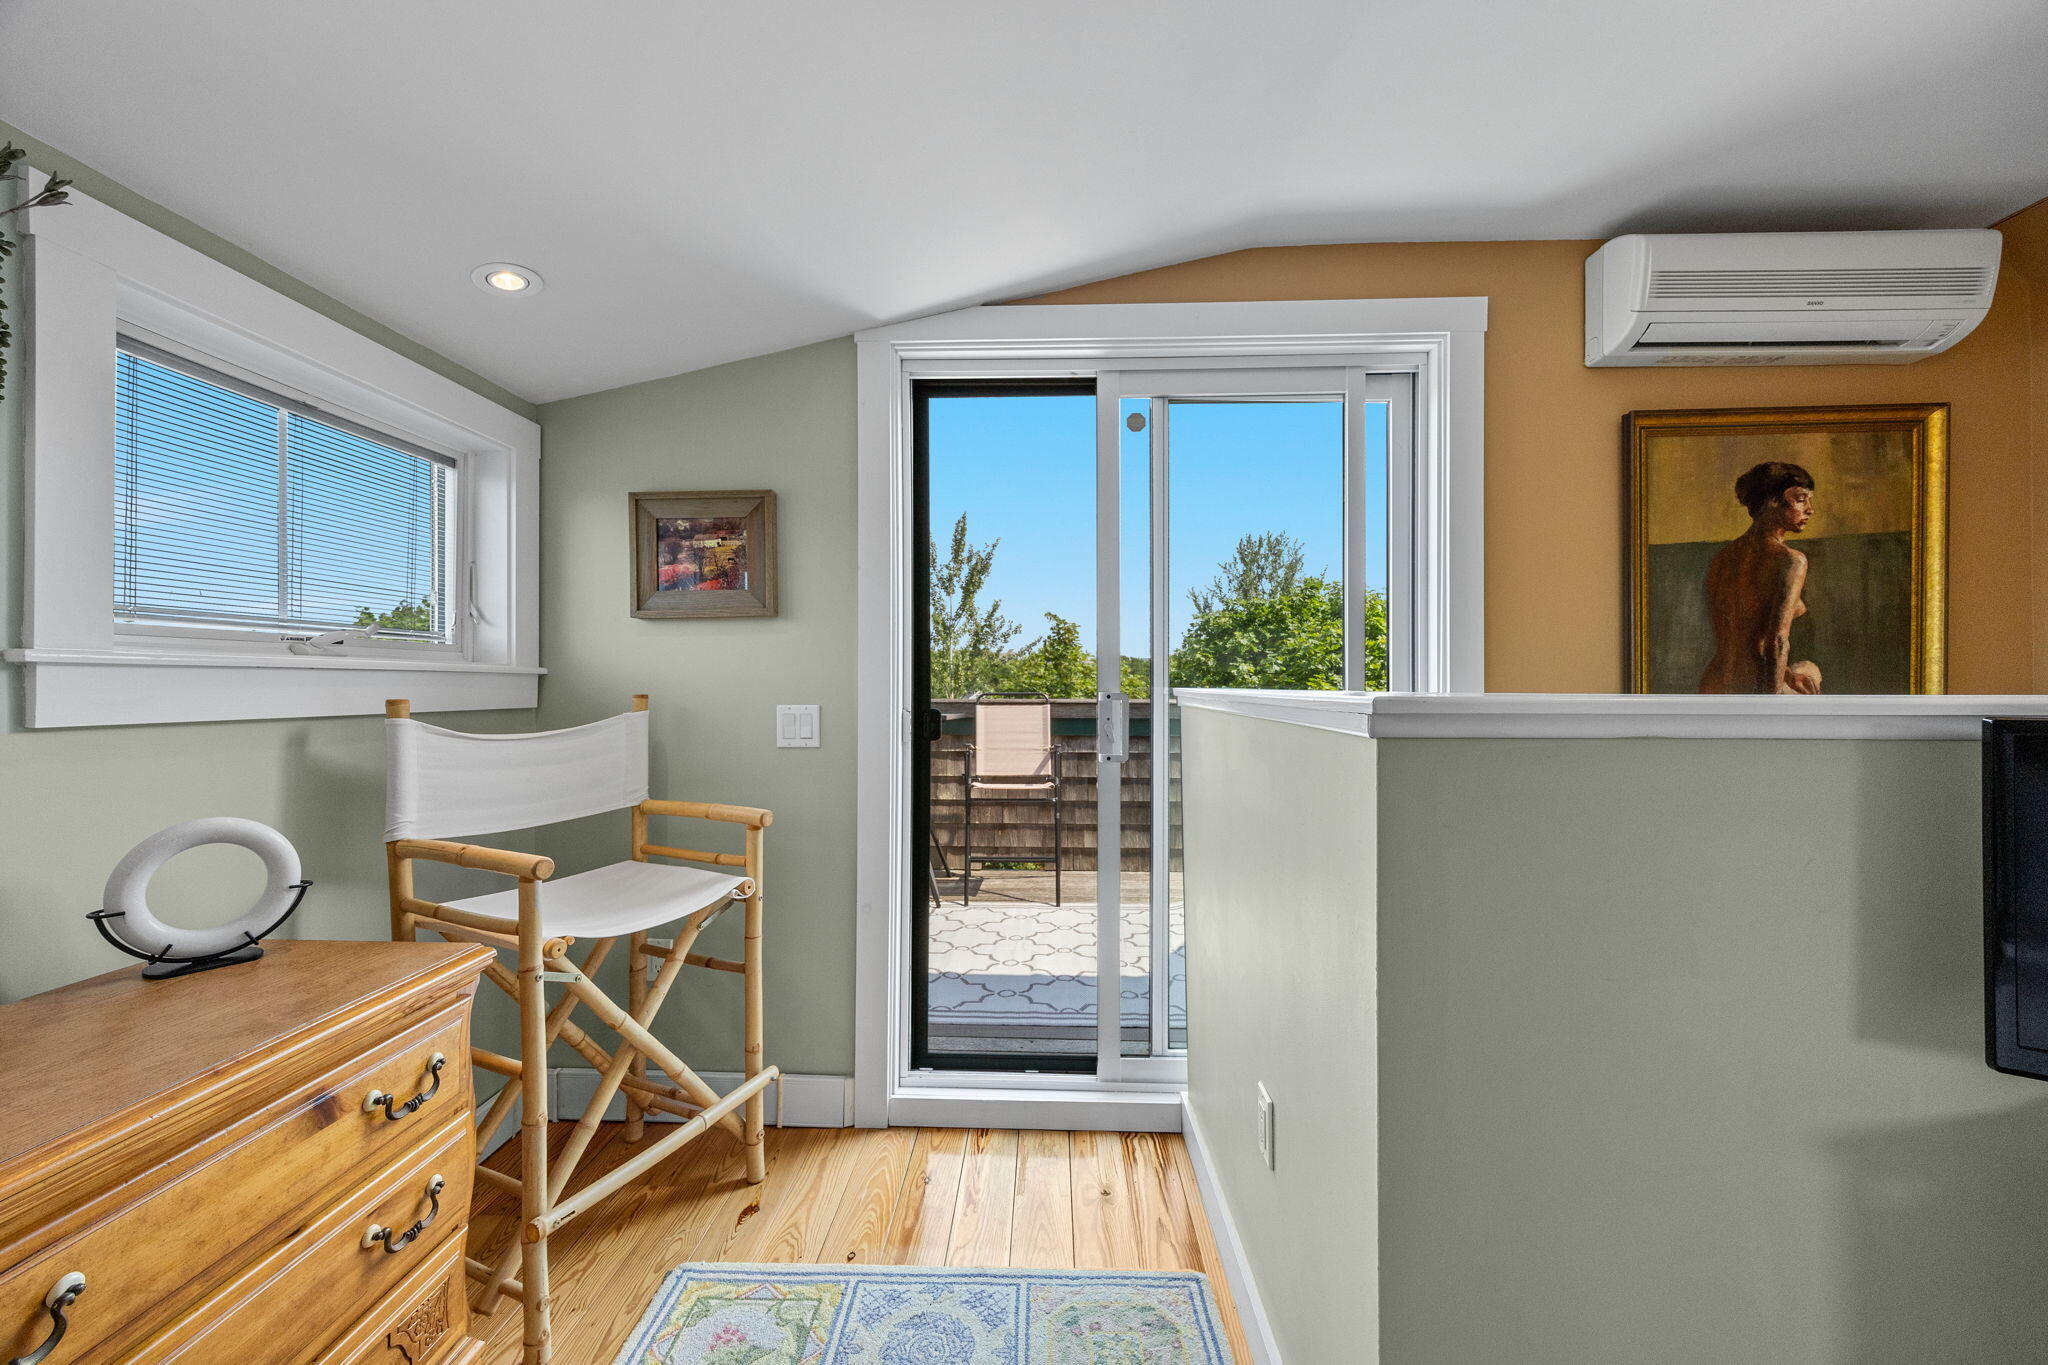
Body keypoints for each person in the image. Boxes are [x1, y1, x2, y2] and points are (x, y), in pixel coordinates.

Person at [1698, 461, 1823, 695]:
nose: (1810, 509)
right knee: (1810, 671)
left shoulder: (1722, 559)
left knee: (1804, 671)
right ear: (1772, 501)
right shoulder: (1791, 561)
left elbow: (1740, 637)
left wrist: (1788, 674)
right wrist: (1772, 705)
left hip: (1713, 684)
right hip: (1753, 686)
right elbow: (1776, 642)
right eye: (1800, 499)